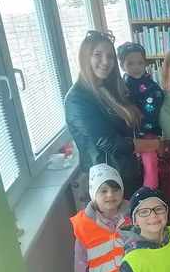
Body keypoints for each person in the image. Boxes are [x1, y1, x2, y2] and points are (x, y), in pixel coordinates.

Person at [65, 30, 159, 196]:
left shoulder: (112, 88)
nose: (105, 61)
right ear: (85, 57)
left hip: (130, 172)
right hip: (108, 184)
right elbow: (110, 143)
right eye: (98, 55)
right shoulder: (77, 99)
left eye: (110, 56)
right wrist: (156, 145)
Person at [116, 42, 164, 189]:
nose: (136, 67)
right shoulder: (120, 87)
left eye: (140, 63)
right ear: (122, 65)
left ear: (145, 63)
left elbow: (160, 104)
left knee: (150, 163)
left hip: (148, 134)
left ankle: (150, 192)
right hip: (127, 136)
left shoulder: (152, 86)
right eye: (130, 63)